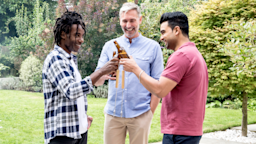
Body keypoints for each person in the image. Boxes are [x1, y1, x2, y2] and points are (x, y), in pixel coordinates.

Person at [120, 11, 208, 144]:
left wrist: (135, 69)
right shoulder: (195, 54)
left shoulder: (181, 56)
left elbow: (160, 90)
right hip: (189, 131)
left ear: (176, 30)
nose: (161, 37)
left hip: (179, 133)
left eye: (163, 32)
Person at [42, 11, 119, 144]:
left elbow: (76, 92)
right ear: (63, 34)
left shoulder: (70, 59)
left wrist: (82, 117)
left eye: (82, 36)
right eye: (77, 35)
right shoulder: (55, 59)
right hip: (62, 137)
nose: (81, 40)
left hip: (78, 132)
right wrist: (101, 71)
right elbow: (71, 91)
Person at [94, 2, 164, 144]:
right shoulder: (109, 46)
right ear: (120, 21)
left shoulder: (153, 47)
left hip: (141, 114)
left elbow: (158, 83)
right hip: (113, 115)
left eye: (132, 20)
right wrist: (105, 74)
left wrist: (150, 113)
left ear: (140, 19)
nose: (128, 25)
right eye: (124, 21)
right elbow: (96, 81)